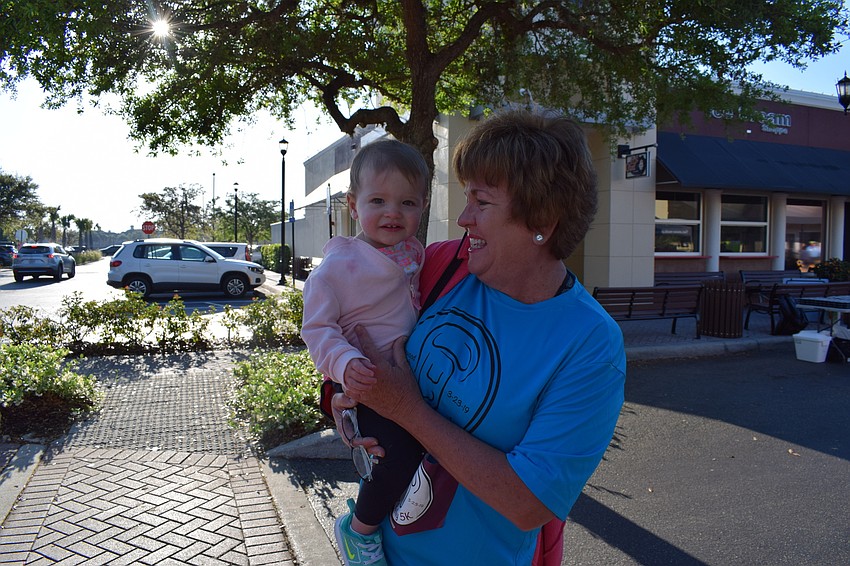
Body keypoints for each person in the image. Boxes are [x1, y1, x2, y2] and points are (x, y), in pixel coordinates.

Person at [331, 109, 627, 565]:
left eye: (481, 203)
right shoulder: (440, 265)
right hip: (378, 552)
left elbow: (530, 503)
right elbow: (355, 327)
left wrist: (406, 409)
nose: (464, 218)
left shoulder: (589, 345)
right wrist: (341, 396)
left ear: (541, 219)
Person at [301, 138, 431, 566]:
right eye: (379, 200)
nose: (393, 212)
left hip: (403, 377)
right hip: (367, 380)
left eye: (407, 202)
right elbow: (317, 329)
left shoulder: (415, 254)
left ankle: (385, 516)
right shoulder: (338, 267)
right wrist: (345, 365)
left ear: (423, 206)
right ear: (353, 206)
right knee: (398, 453)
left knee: (416, 452)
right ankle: (360, 532)